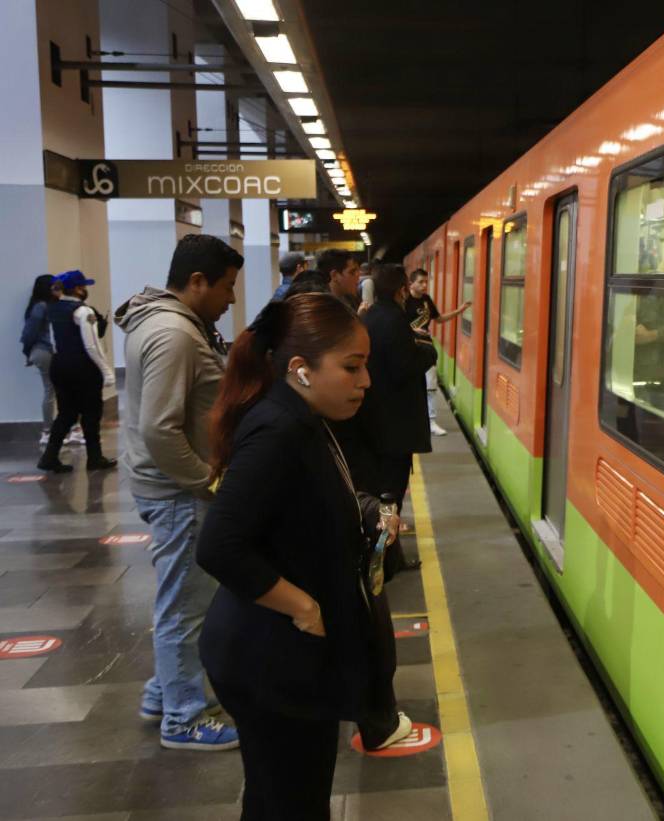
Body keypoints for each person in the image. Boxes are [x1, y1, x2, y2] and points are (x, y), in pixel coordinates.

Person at [197, 294, 407, 819]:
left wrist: (366, 512)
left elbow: (304, 504)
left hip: (281, 657)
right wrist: (302, 606)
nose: (366, 381)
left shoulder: (302, 418)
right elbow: (219, 544)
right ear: (300, 369)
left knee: (284, 797)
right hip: (269, 658)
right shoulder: (280, 430)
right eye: (352, 367)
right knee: (291, 802)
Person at [115, 234, 243, 751]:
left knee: (185, 600)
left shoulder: (167, 323)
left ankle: (162, 692)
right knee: (185, 606)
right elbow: (160, 429)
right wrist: (207, 482)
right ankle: (184, 717)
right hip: (179, 493)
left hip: (169, 487)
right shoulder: (175, 335)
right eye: (226, 287)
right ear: (196, 281)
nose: (231, 299)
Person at [354, 264, 437, 558]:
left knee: (379, 488)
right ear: (402, 290)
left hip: (374, 418)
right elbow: (404, 367)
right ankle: (386, 556)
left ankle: (384, 550)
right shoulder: (395, 319)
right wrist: (427, 348)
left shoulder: (370, 317)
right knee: (391, 493)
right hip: (395, 423)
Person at [37, 270, 116, 473]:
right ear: (78, 289)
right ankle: (95, 457)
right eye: (84, 286)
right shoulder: (83, 311)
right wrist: (106, 371)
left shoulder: (53, 309)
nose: (86, 289)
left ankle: (49, 456)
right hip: (83, 367)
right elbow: (92, 346)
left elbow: (54, 341)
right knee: (91, 413)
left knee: (67, 413)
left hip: (59, 365)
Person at [405, 268, 469, 436]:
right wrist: (412, 330)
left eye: (426, 282)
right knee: (410, 385)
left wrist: (459, 311)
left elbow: (439, 319)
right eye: (421, 282)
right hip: (408, 346)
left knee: (430, 385)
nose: (424, 285)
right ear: (411, 283)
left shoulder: (426, 300)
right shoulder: (404, 300)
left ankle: (431, 421)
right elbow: (396, 322)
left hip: (426, 347)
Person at [21, 275, 61, 446]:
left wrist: (28, 352)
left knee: (51, 390)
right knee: (52, 390)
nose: (58, 290)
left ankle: (49, 430)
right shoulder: (42, 307)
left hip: (41, 351)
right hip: (45, 351)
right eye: (55, 287)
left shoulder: (39, 306)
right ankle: (49, 431)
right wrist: (27, 351)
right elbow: (29, 332)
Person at [289, 248, 361, 311]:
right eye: (352, 272)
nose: (358, 275)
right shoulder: (318, 305)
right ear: (334, 275)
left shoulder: (350, 300)